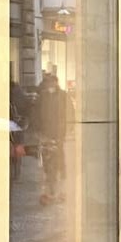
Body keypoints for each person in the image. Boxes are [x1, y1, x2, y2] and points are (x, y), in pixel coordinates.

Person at [33, 72, 74, 205]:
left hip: (58, 133)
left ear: (56, 83)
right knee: (47, 160)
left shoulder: (63, 96)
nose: (50, 85)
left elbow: (70, 113)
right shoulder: (43, 96)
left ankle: (60, 189)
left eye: (52, 82)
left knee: (59, 160)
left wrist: (68, 129)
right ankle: (50, 188)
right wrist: (38, 130)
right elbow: (37, 114)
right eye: (49, 83)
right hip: (46, 133)